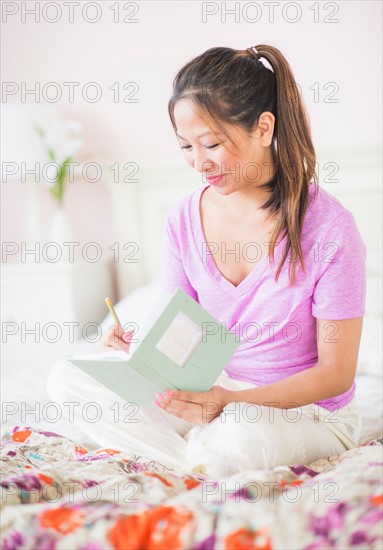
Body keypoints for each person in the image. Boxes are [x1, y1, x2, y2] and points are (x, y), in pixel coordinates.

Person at [47, 45, 366, 477]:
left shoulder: (330, 228)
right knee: (68, 379)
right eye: (185, 146)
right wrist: (138, 351)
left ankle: (188, 456)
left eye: (212, 143)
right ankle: (193, 462)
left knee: (238, 436)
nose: (199, 162)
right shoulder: (182, 218)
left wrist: (231, 402)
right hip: (210, 393)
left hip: (297, 411)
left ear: (264, 128)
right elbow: (181, 330)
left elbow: (336, 375)